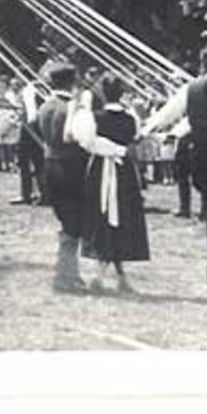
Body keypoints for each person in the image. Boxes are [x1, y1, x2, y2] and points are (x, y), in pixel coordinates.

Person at [143, 46, 207, 283]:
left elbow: (167, 115)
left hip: (199, 153)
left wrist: (145, 130)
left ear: (201, 65)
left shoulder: (189, 89)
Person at [71, 73, 148, 294]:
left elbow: (88, 143)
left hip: (100, 171)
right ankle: (116, 277)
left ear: (102, 93)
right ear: (122, 93)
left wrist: (114, 149)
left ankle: (103, 276)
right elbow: (133, 140)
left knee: (105, 218)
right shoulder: (131, 118)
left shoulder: (93, 118)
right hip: (124, 171)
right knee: (118, 219)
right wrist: (121, 150)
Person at [34, 64, 88, 293]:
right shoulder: (72, 109)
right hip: (72, 167)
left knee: (66, 220)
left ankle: (68, 271)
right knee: (74, 222)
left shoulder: (45, 106)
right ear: (73, 81)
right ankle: (65, 274)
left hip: (50, 166)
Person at [14, 77, 47, 205]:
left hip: (31, 128)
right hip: (33, 127)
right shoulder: (39, 87)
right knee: (32, 162)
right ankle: (32, 194)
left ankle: (34, 194)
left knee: (32, 162)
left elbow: (32, 114)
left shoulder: (31, 89)